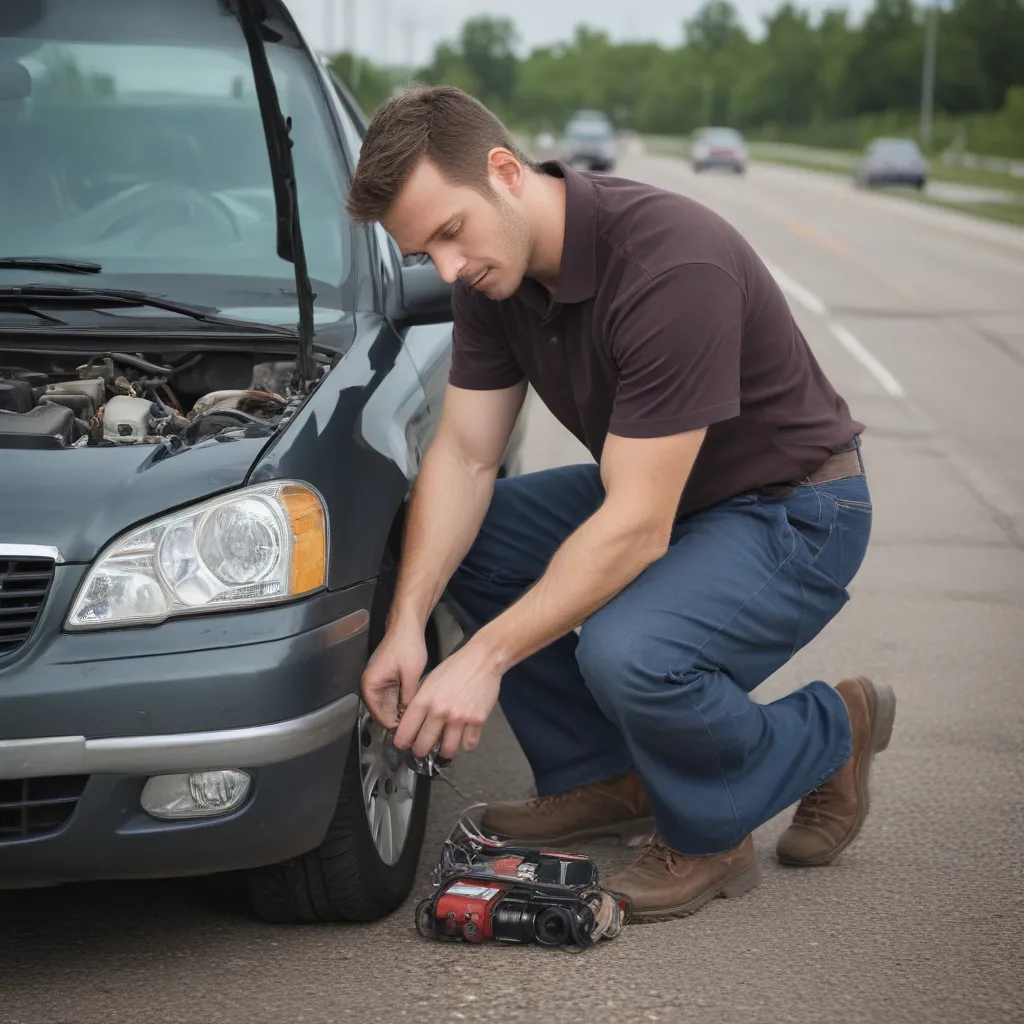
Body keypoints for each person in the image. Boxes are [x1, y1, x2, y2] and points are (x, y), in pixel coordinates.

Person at [346, 85, 897, 921]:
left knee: (628, 652)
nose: (450, 270)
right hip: (678, 499)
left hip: (795, 510)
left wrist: (481, 658)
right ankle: (611, 775)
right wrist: (405, 628)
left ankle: (801, 755)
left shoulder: (672, 264)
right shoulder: (495, 283)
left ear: (504, 170)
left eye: (451, 233)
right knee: (474, 542)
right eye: (427, 254)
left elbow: (636, 528)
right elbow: (463, 456)